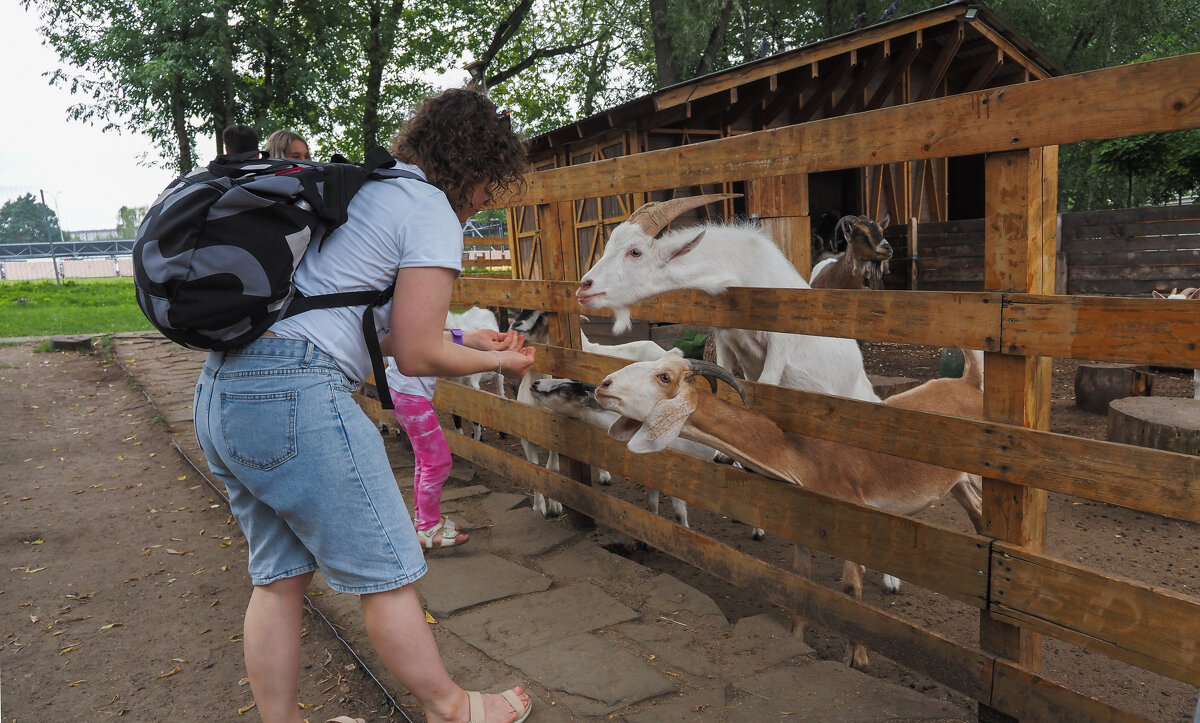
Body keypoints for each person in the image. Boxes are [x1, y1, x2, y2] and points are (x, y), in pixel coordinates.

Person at [193, 87, 534, 723]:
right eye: (491, 180)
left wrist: (465, 335)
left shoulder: (363, 190)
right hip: (297, 394)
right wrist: (498, 360)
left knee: (278, 578)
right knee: (389, 569)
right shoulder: (430, 207)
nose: (490, 196)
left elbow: (353, 317)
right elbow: (416, 354)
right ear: (472, 164)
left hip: (225, 392)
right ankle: (451, 709)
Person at [383, 358, 466, 549]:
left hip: (405, 389)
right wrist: (496, 360)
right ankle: (429, 529)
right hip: (409, 393)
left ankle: (424, 521)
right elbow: (435, 350)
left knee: (426, 460)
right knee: (437, 462)